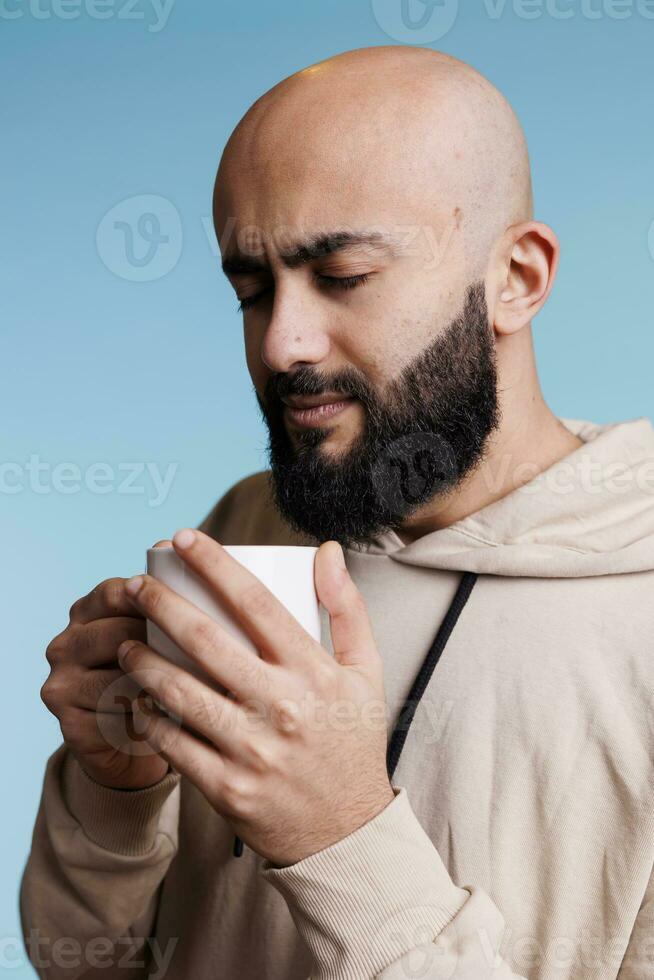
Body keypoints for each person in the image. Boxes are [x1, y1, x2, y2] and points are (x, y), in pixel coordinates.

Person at [20, 45, 654, 980]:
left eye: (345, 275)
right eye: (250, 291)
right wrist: (118, 791)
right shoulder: (250, 524)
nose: (282, 344)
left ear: (517, 278)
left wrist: (343, 840)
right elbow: (91, 965)